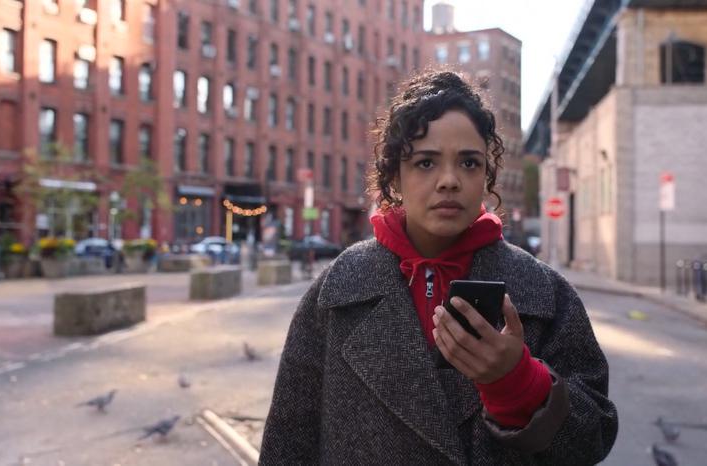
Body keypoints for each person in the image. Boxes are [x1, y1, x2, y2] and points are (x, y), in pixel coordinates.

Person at [260, 70, 618, 464]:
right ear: (395, 175)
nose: (449, 180)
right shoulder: (338, 290)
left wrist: (518, 382)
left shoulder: (543, 292)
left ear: (487, 174)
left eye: (468, 162)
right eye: (426, 163)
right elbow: (288, 440)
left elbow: (594, 438)